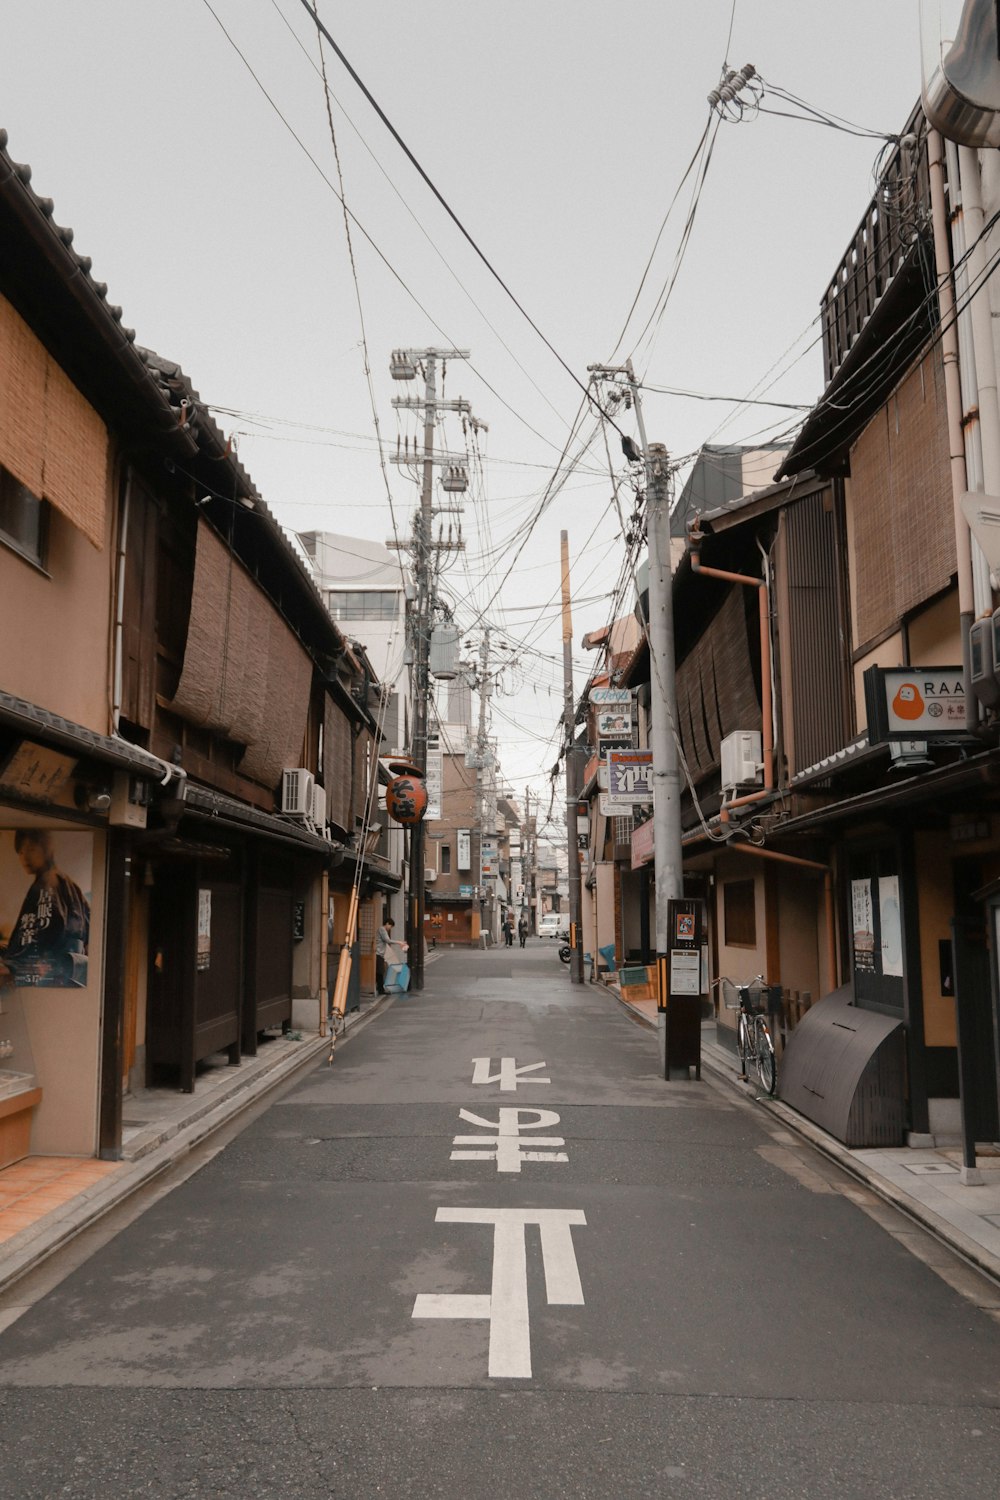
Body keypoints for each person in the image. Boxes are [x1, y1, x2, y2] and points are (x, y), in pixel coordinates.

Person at [0, 830, 90, 988]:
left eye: (31, 849)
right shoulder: (68, 883)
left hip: (51, 974)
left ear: (47, 847)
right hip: (68, 975)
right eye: (20, 852)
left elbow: (46, 933)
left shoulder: (47, 883)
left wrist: (12, 964)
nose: (25, 857)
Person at [375, 915, 395, 994]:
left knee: (380, 971)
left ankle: (380, 988)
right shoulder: (382, 929)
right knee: (380, 971)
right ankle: (380, 989)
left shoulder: (382, 930)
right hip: (378, 953)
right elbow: (387, 940)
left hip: (380, 953)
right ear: (387, 923)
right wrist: (399, 942)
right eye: (390, 926)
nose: (390, 928)